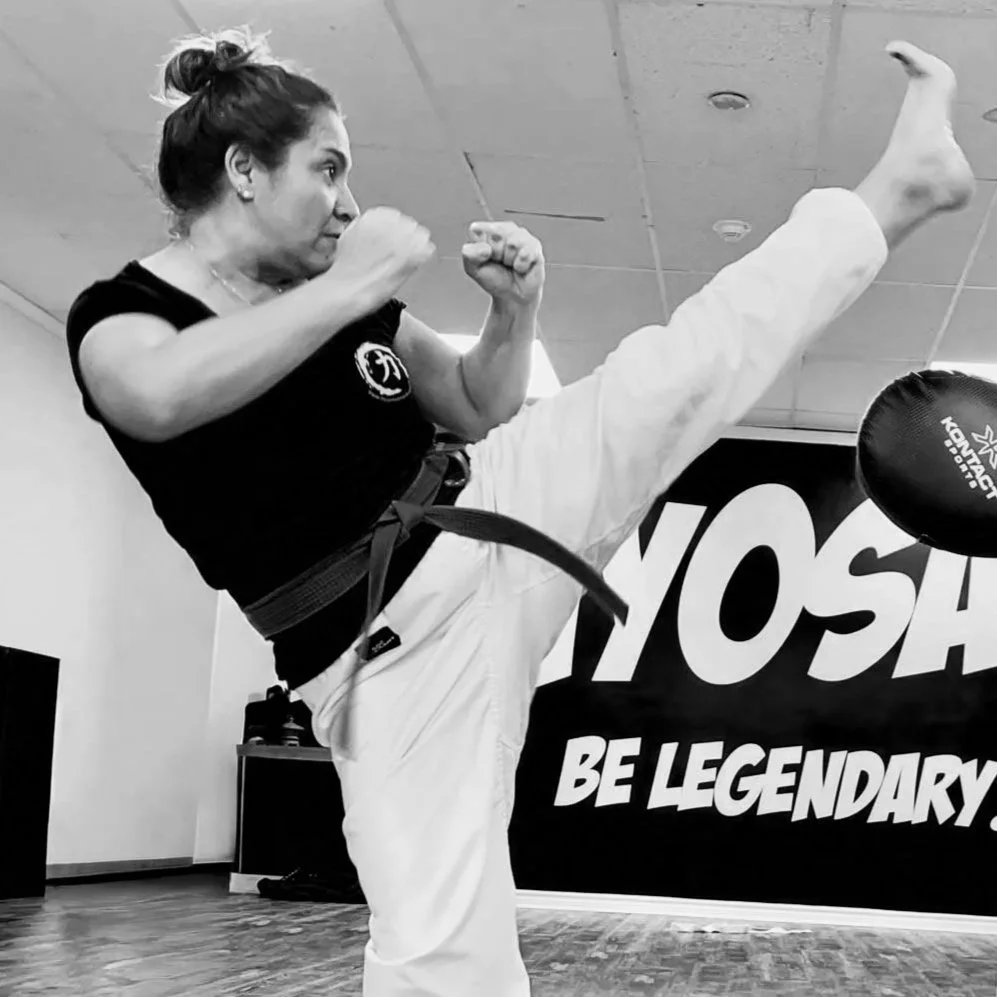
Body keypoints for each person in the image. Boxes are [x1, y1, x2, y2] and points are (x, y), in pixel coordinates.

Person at [64, 24, 973, 997]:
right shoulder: (125, 309)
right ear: (244, 169)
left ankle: (902, 185)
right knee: (442, 953)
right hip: (388, 655)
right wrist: (353, 283)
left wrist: (512, 312)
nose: (349, 203)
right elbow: (153, 397)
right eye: (326, 172)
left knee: (676, 372)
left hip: (487, 503)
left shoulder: (340, 298)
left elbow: (478, 403)